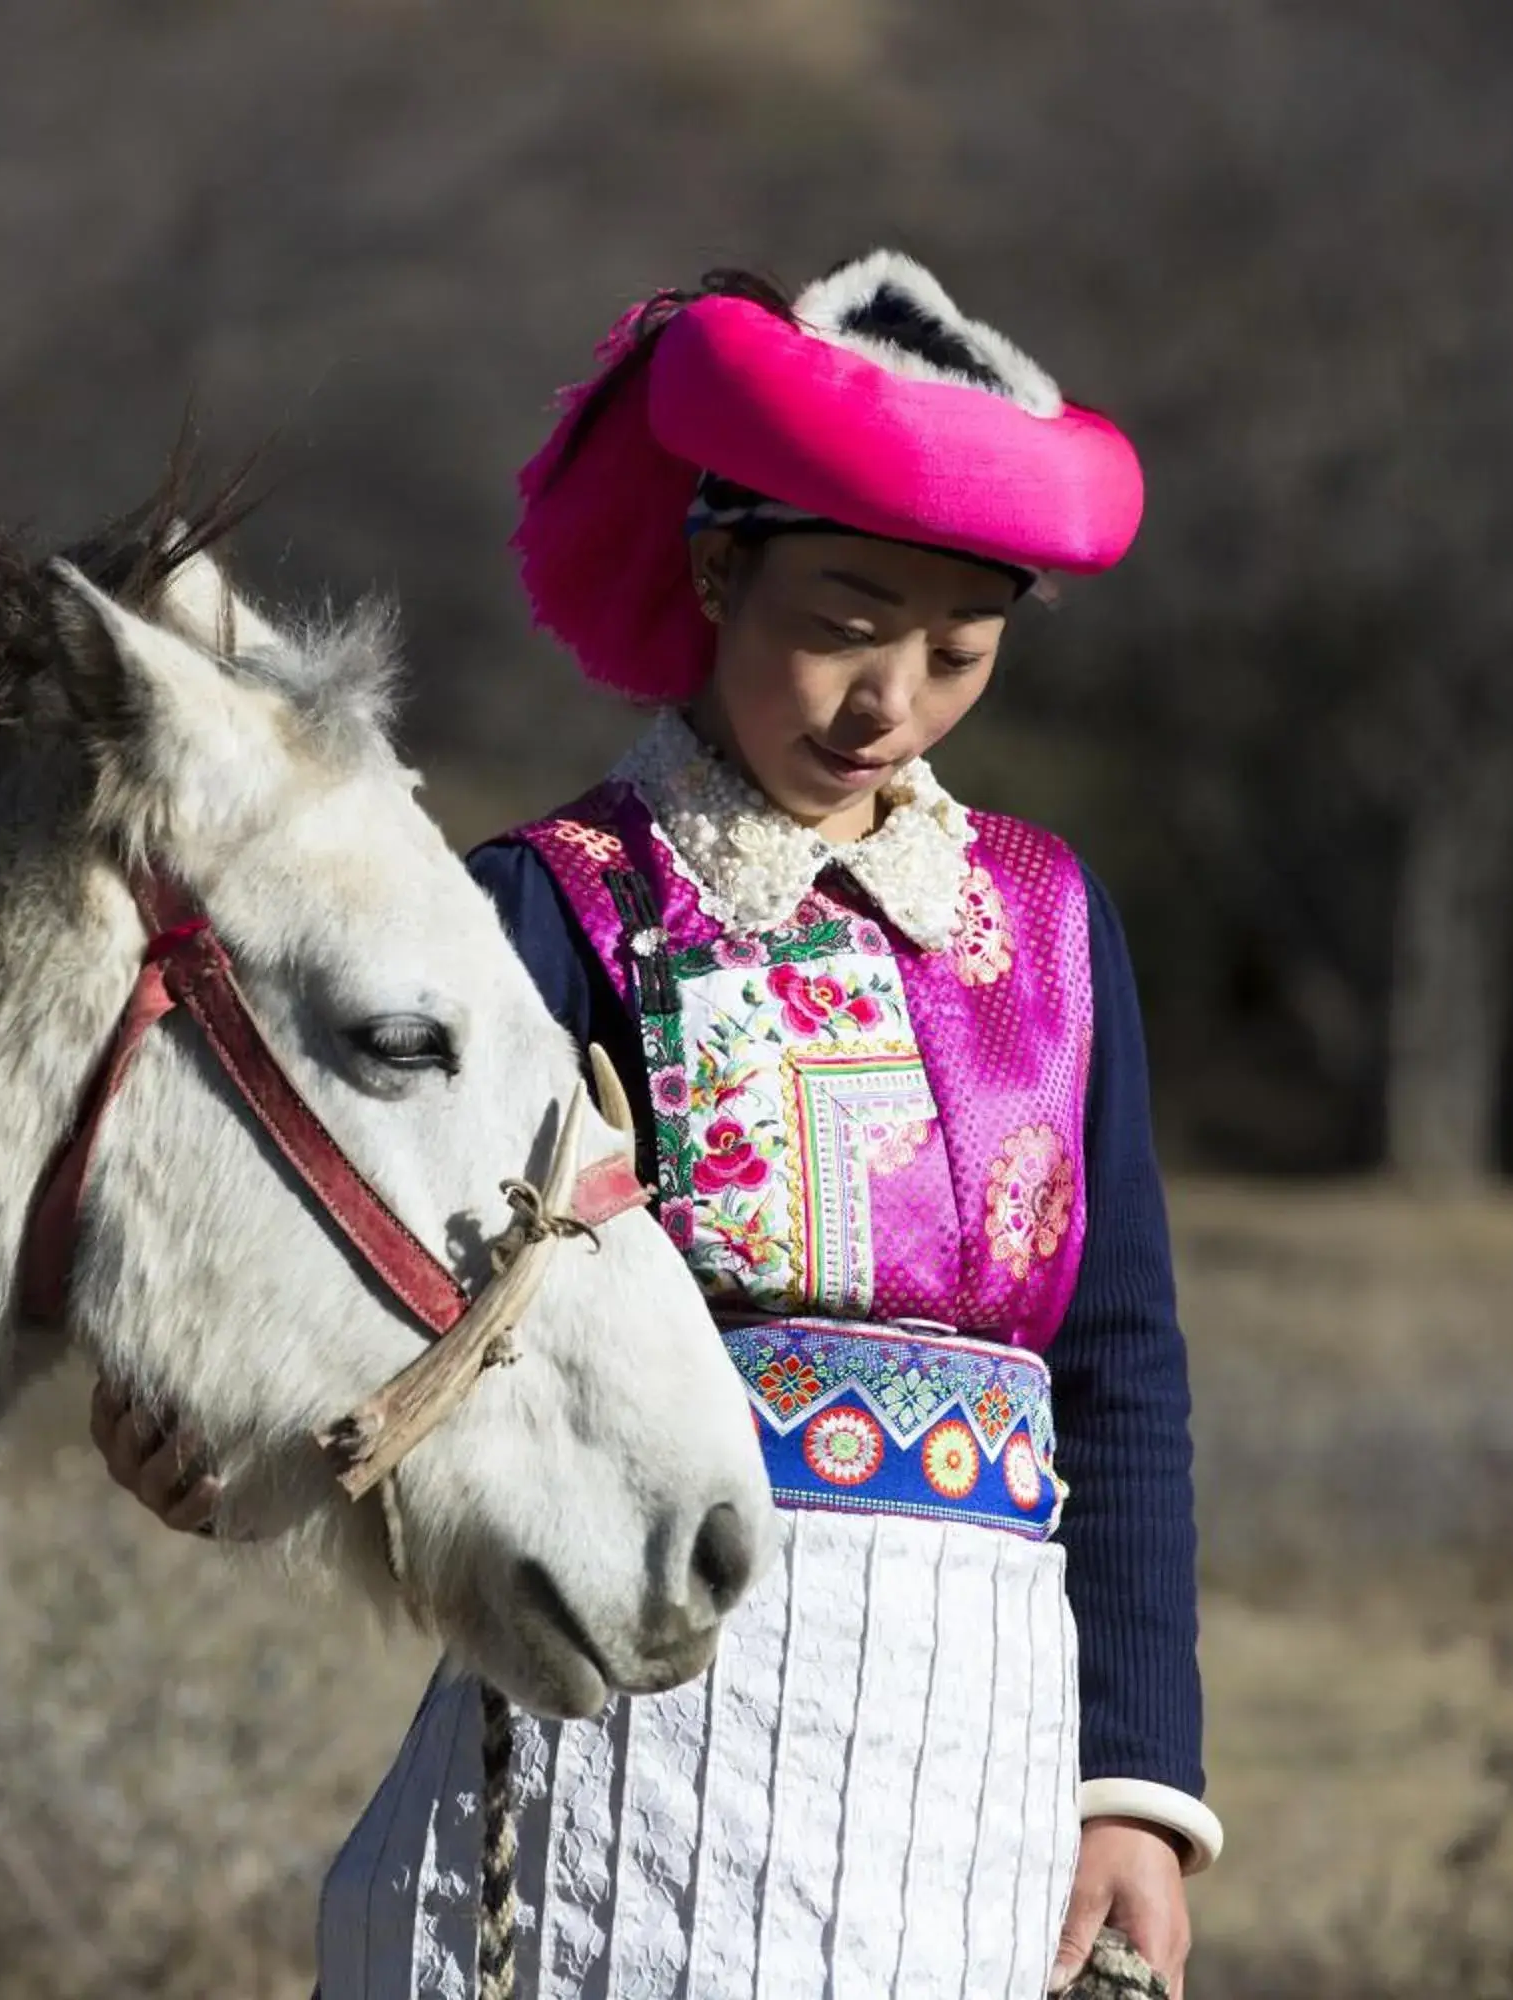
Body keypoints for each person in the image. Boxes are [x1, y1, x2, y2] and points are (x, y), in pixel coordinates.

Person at [94, 251, 1216, 1998]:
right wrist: (208, 1434)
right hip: (635, 1737)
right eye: (843, 622)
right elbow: (360, 1244)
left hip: (977, 1765)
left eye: (958, 652)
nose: (889, 705)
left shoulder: (1051, 927)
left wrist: (1133, 1795)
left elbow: (1121, 1364)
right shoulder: (550, 912)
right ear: (715, 571)